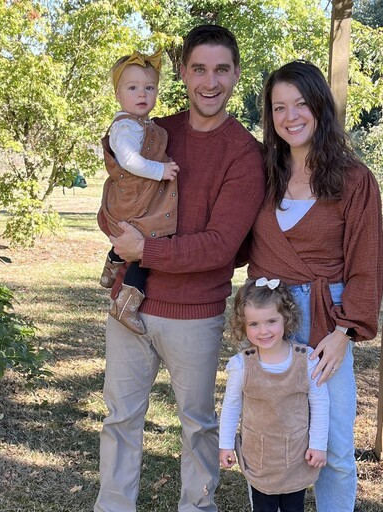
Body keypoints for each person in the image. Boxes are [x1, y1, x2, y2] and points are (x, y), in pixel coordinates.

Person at [94, 25, 266, 512]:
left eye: (221, 70)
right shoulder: (152, 132)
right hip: (129, 305)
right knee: (120, 419)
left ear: (236, 74)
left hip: (193, 313)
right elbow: (116, 203)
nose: (210, 82)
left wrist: (143, 250)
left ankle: (197, 507)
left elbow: (220, 247)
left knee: (197, 425)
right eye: (199, 69)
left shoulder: (244, 153)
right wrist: (116, 227)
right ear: (184, 73)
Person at [247, 60, 383, 512]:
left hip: (327, 319)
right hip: (269, 317)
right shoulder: (262, 174)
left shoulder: (353, 179)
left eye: (301, 103)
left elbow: (366, 262)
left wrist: (344, 332)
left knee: (335, 446)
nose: (290, 116)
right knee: (268, 438)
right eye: (279, 107)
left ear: (321, 107)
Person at [219, 278, 329, 512]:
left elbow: (320, 404)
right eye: (254, 324)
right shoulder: (241, 365)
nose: (264, 331)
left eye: (271, 321)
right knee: (263, 507)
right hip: (259, 456)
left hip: (297, 454)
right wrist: (225, 444)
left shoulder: (306, 360)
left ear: (285, 318)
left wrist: (318, 445)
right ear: (243, 325)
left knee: (293, 507)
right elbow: (231, 406)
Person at [97, 49, 179, 335]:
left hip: (138, 196)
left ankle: (111, 268)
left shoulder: (140, 124)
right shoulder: (125, 128)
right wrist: (160, 170)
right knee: (147, 245)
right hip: (133, 197)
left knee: (135, 236)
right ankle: (126, 305)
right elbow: (130, 160)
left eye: (149, 87)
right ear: (118, 94)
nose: (142, 94)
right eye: (132, 88)